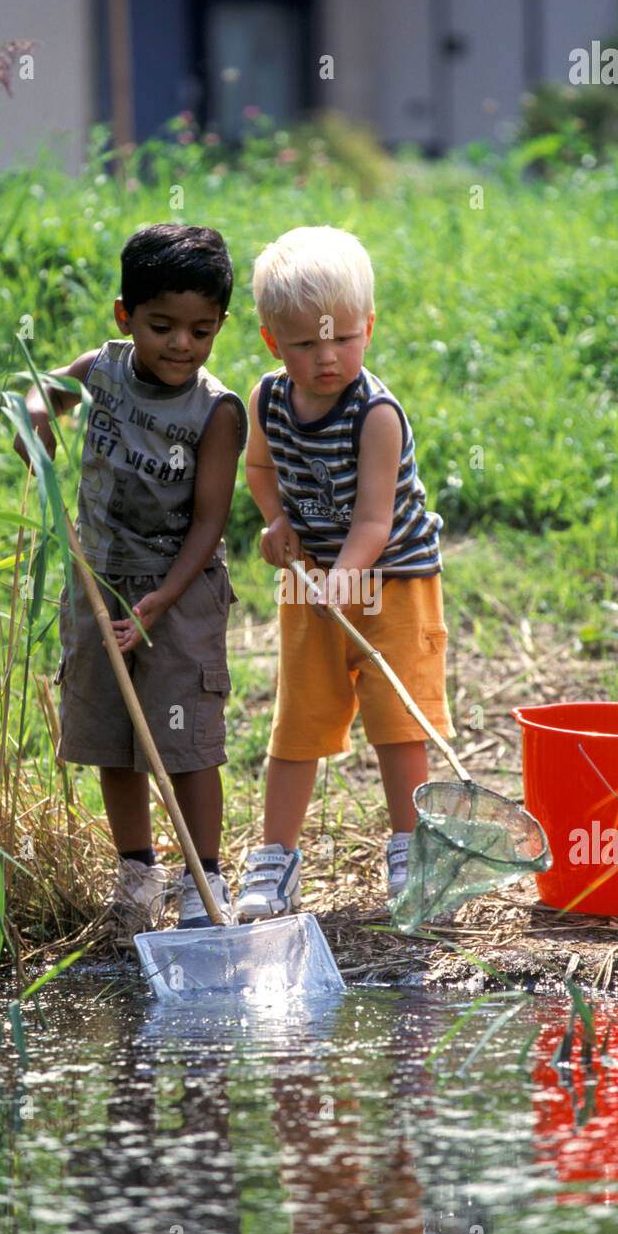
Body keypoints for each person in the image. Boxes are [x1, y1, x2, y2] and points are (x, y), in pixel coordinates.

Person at [13, 224, 246, 945]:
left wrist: (162, 602)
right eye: (162, 326)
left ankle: (202, 883)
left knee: (185, 740)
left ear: (220, 328)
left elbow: (208, 522)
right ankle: (136, 875)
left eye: (201, 331)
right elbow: (36, 397)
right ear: (124, 316)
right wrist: (36, 428)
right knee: (114, 736)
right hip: (97, 580)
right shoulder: (102, 368)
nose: (182, 344)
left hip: (179, 593)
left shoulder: (217, 411)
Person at [239, 225, 454, 919]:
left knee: (398, 717)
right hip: (312, 580)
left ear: (368, 328)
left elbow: (372, 523)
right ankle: (275, 859)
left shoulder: (376, 415)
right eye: (304, 344)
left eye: (342, 339)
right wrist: (276, 522)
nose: (326, 357)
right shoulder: (267, 400)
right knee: (299, 716)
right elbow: (259, 468)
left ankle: (410, 848)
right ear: (274, 343)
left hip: (392, 579)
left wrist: (346, 576)